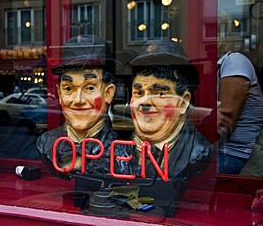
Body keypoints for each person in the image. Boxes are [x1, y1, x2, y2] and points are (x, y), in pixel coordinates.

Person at [126, 39, 214, 216]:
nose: (145, 103)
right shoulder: (119, 148)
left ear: (183, 102)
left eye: (160, 93)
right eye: (139, 93)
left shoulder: (198, 152)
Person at [36, 34, 130, 191]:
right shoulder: (45, 144)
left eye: (90, 87)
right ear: (59, 94)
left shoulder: (122, 152)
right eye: (68, 89)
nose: (78, 100)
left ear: (109, 93)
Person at [216, 11, 263, 174]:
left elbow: (222, 124)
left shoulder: (234, 61)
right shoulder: (215, 66)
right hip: (221, 153)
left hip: (234, 156)